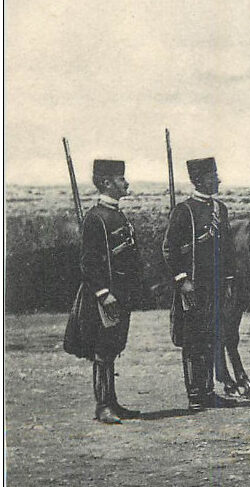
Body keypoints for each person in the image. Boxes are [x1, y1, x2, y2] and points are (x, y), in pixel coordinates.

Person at [64, 159, 143, 424]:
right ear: (107, 182)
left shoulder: (116, 214)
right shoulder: (95, 218)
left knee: (112, 347)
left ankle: (113, 402)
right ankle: (102, 406)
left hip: (120, 294)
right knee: (102, 350)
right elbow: (88, 263)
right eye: (121, 179)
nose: (126, 182)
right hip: (103, 296)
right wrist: (103, 293)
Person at [162, 157, 238, 411]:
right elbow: (169, 249)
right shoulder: (184, 211)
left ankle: (208, 392)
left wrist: (228, 280)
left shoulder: (221, 210)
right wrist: (182, 280)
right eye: (213, 175)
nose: (218, 179)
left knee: (212, 336)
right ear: (200, 179)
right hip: (193, 287)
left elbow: (226, 249)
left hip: (215, 286)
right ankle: (195, 394)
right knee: (193, 340)